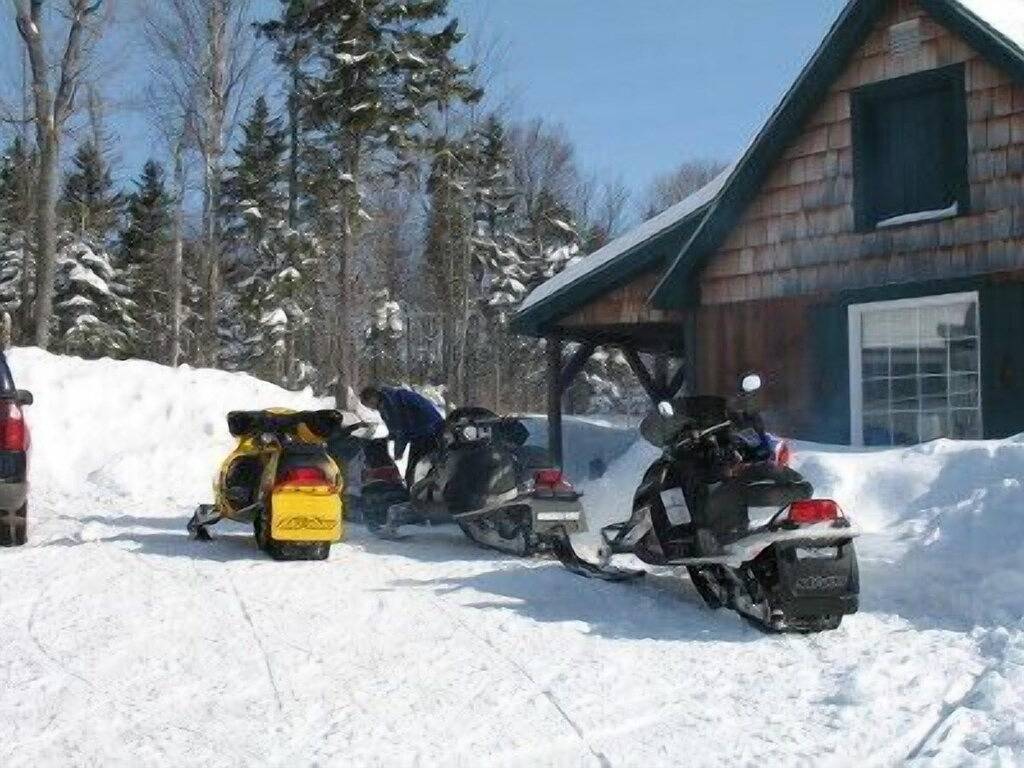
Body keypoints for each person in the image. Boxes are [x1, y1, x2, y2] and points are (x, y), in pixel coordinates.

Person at [359, 386, 444, 487]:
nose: (370, 408)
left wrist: (398, 452)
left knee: (416, 470)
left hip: (429, 432)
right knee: (414, 470)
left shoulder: (391, 403)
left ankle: (419, 492)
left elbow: (401, 430)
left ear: (373, 397)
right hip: (420, 433)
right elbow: (395, 429)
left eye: (368, 404)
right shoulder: (387, 400)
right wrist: (388, 438)